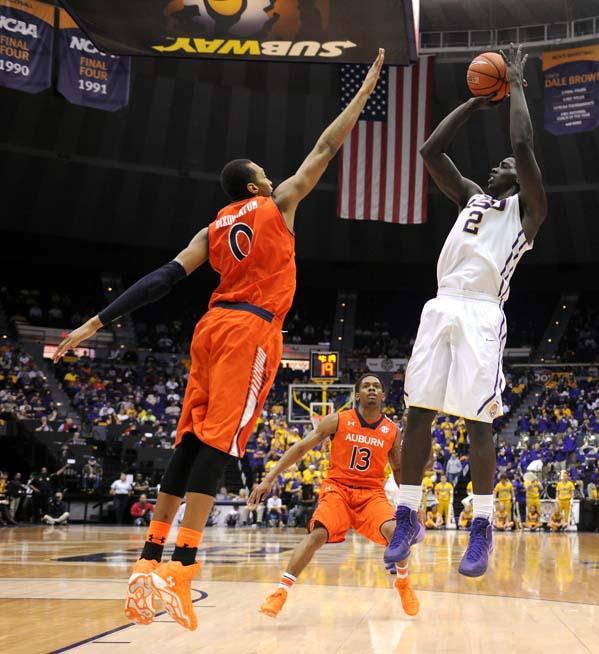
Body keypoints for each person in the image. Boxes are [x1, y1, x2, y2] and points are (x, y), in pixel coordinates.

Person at [52, 49, 385, 632]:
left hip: (207, 329)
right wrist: (365, 92)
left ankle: (147, 563)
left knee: (188, 440)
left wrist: (96, 322)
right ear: (256, 181)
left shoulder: (212, 229)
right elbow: (327, 147)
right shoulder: (277, 202)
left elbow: (161, 280)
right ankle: (182, 569)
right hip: (250, 330)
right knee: (220, 444)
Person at [385, 44, 547, 578]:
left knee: (478, 420)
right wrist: (477, 102)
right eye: (497, 163)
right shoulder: (473, 197)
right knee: (419, 412)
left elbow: (522, 144)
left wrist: (515, 85)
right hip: (440, 306)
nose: (501, 164)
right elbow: (431, 152)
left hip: (481, 311)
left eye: (510, 167)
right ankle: (406, 513)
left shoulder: (529, 212)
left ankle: (481, 527)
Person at [249, 374, 421, 619]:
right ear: (357, 394)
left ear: (383, 396)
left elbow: (399, 470)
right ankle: (280, 591)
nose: (371, 389)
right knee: (317, 534)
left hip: (371, 494)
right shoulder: (337, 421)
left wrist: (413, 503)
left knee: (396, 532)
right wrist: (269, 478)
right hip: (337, 489)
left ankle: (403, 584)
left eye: (376, 387)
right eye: (366, 386)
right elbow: (300, 448)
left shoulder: (391, 431)